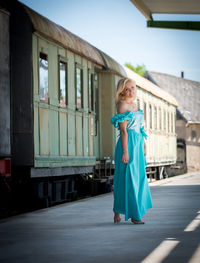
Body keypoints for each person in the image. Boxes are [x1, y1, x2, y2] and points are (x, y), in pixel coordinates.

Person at [110, 78, 153, 224]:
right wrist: (125, 151)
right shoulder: (122, 105)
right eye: (127, 89)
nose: (130, 91)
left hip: (138, 143)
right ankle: (134, 215)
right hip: (127, 145)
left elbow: (140, 127)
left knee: (138, 177)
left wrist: (144, 144)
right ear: (122, 90)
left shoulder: (135, 105)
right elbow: (123, 131)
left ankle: (120, 211)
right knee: (126, 178)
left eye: (133, 88)